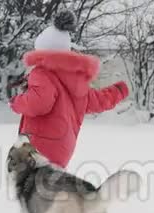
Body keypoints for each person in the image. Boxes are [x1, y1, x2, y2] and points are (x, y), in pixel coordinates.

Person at [8, 10, 129, 169]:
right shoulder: (77, 79)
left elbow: (39, 103)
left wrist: (17, 102)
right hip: (63, 148)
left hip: (39, 147)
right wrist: (118, 91)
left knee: (32, 189)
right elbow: (98, 100)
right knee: (51, 187)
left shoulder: (42, 73)